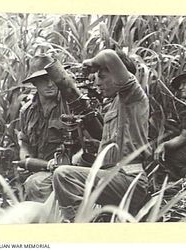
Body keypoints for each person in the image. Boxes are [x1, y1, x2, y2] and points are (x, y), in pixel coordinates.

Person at [52, 49, 151, 222]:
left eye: (103, 76)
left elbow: (108, 55)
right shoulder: (114, 106)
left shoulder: (132, 96)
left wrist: (91, 63)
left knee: (64, 175)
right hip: (114, 177)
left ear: (120, 75)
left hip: (129, 179)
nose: (97, 83)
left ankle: (79, 227)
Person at [19, 54, 101, 202]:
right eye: (43, 80)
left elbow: (93, 141)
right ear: (34, 83)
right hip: (43, 170)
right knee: (34, 184)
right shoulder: (27, 111)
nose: (50, 84)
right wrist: (28, 160)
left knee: (37, 184)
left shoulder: (72, 103)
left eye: (52, 79)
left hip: (73, 169)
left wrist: (71, 162)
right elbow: (24, 144)